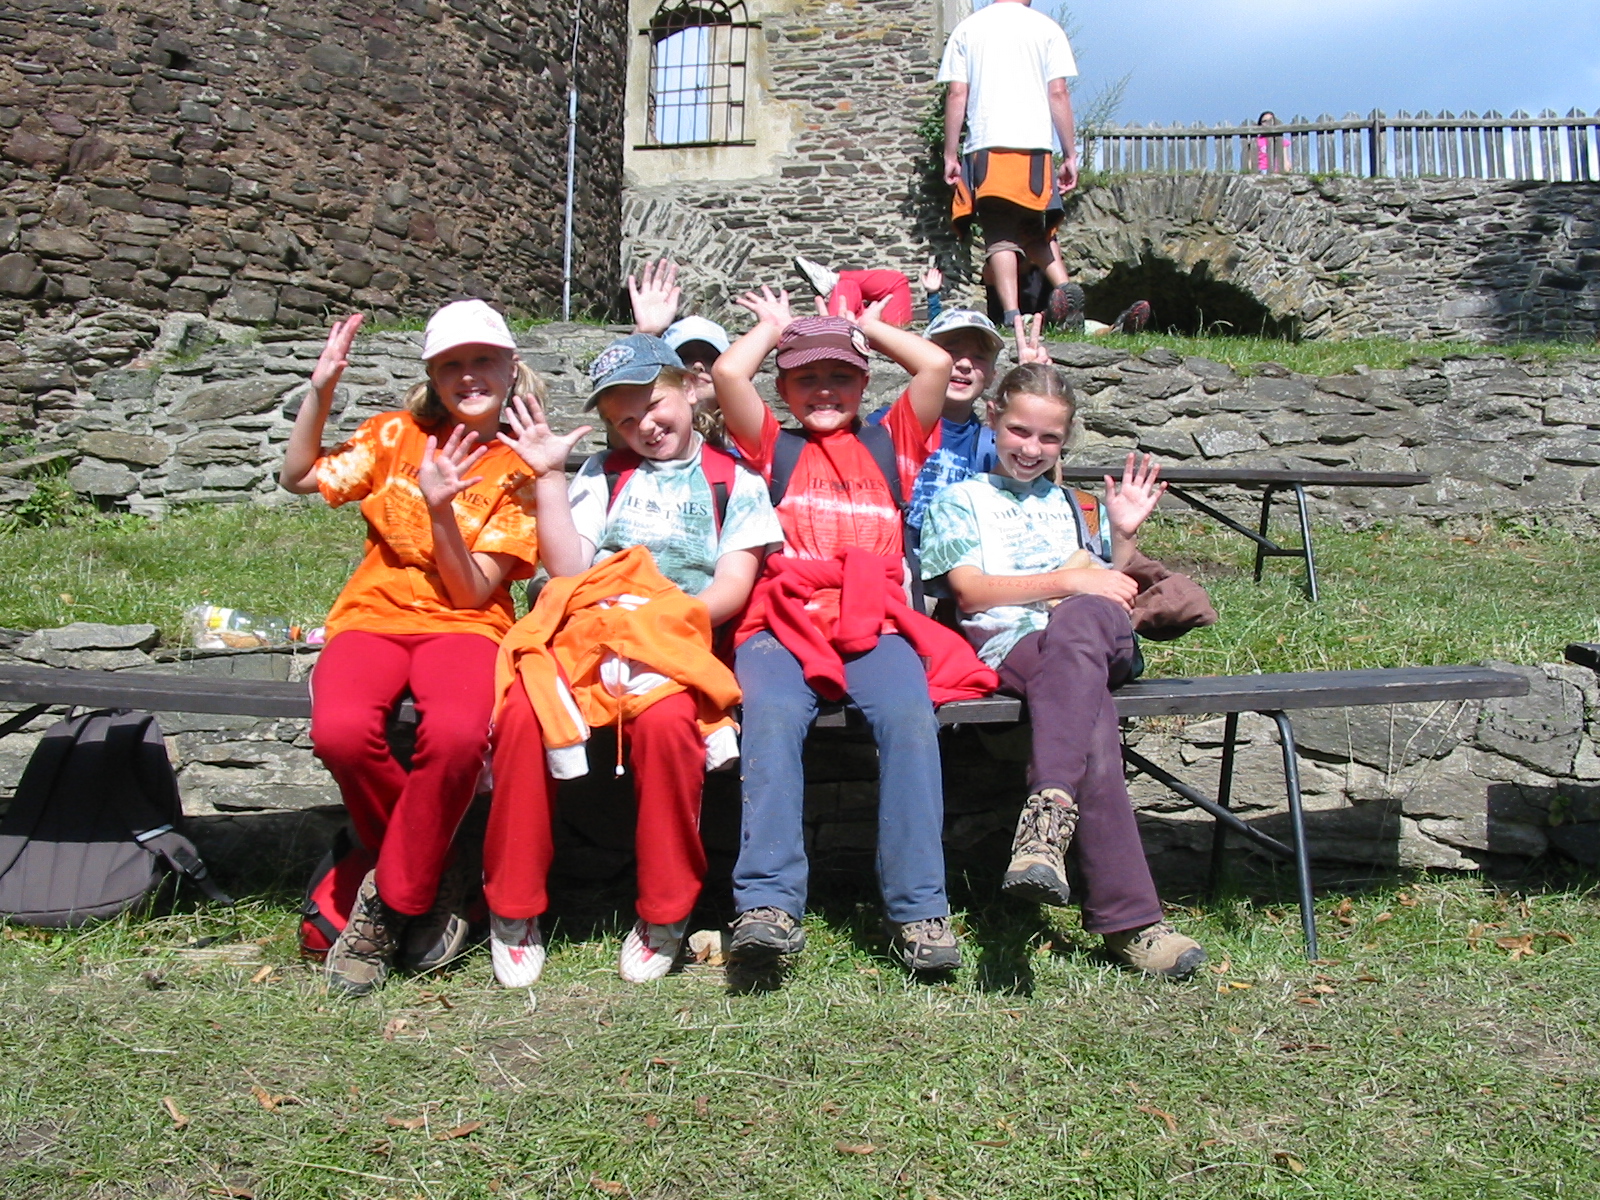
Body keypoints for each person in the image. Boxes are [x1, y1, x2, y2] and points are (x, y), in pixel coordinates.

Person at [278, 300, 585, 996]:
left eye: (483, 360)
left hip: (465, 626)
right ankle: (434, 875)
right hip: (372, 616)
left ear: (511, 367)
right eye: (451, 365)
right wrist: (321, 388)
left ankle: (383, 908)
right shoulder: (395, 434)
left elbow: (473, 592)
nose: (468, 375)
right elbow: (298, 476)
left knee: (454, 737)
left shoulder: (521, 466)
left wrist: (441, 507)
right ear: (432, 376)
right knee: (339, 734)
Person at [711, 290, 998, 974]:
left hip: (874, 619)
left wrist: (867, 324)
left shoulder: (891, 443)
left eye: (840, 375)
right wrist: (773, 327)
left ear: (864, 382)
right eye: (806, 378)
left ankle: (918, 908)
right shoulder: (771, 448)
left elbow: (933, 365)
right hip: (782, 622)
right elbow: (727, 374)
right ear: (782, 390)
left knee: (908, 716)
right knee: (772, 714)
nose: (824, 390)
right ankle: (767, 904)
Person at [484, 334, 782, 986]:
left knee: (670, 728)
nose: (643, 426)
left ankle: (664, 911)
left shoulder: (734, 481)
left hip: (674, 641)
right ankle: (513, 905)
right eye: (624, 420)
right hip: (589, 637)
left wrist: (663, 623)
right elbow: (568, 569)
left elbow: (731, 585)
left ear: (690, 389)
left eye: (652, 406)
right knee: (522, 720)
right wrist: (550, 479)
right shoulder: (605, 473)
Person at [919, 362, 1211, 978]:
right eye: (1020, 431)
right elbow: (970, 593)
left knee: (1081, 621)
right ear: (993, 418)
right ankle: (1131, 923)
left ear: (1066, 440)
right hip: (1013, 648)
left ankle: (1046, 820)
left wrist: (1122, 537)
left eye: (1049, 438)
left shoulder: (1072, 505)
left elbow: (1109, 584)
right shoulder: (959, 501)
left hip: (1094, 638)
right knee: (1088, 717)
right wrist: (1072, 581)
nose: (1032, 448)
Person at [939, 0, 1084, 342]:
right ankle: (1066, 292)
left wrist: (950, 153)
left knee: (1000, 233)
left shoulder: (967, 29)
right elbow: (1058, 93)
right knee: (1036, 232)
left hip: (987, 147)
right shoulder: (1047, 29)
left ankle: (1011, 315)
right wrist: (1070, 153)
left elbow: (957, 93)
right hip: (1035, 148)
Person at [628, 258, 733, 446]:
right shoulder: (646, 431)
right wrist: (645, 333)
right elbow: (622, 399)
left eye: (710, 357)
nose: (698, 365)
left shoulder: (747, 436)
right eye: (685, 357)